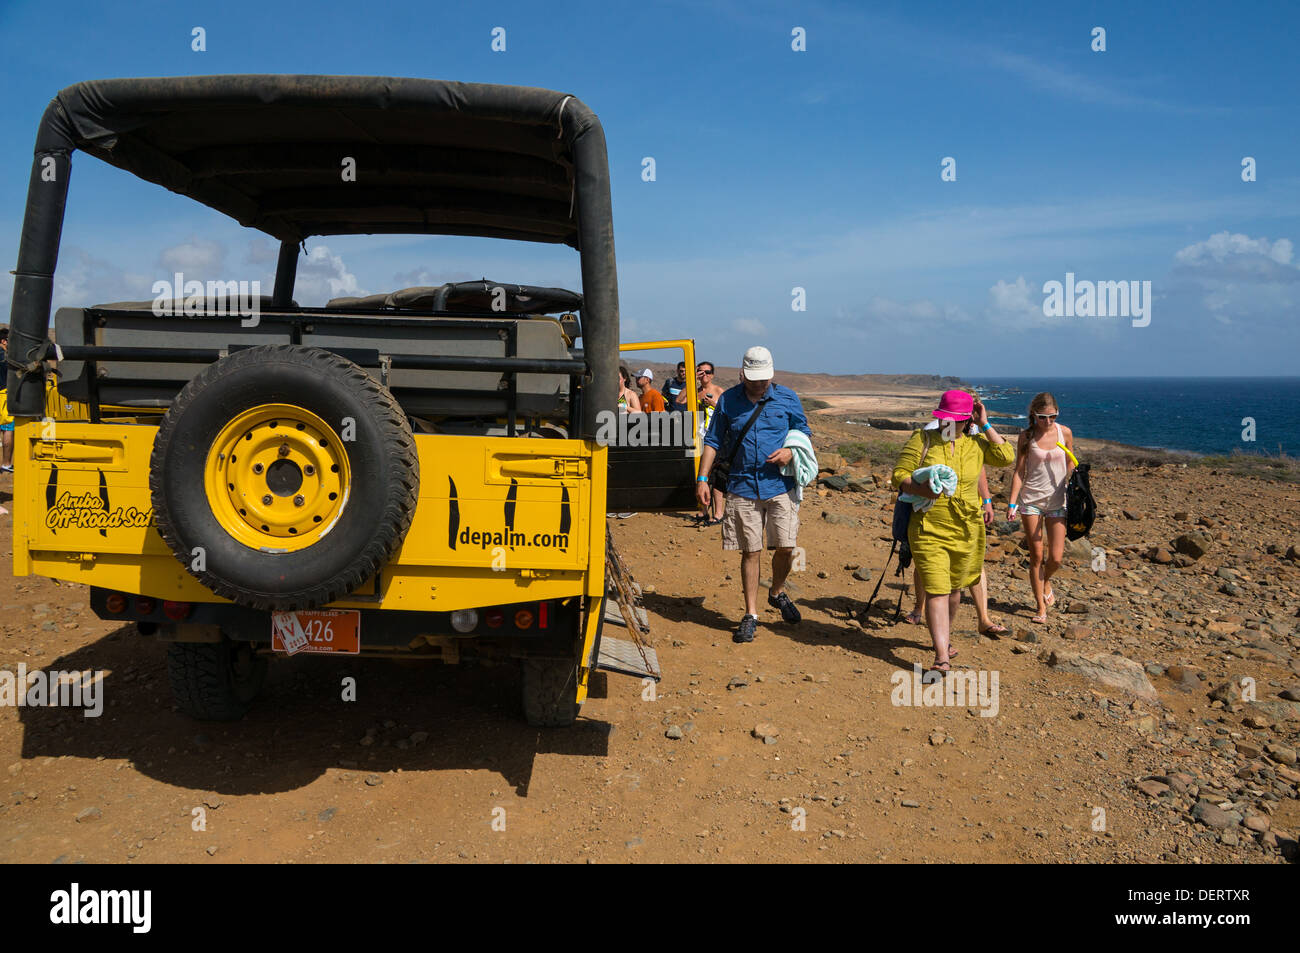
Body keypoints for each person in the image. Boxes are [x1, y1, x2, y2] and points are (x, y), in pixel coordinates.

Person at [891, 390, 1014, 673]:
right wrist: (921, 488)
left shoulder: (977, 444)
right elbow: (899, 475)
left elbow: (1006, 455)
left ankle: (944, 641)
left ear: (967, 419)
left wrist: (985, 423)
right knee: (936, 589)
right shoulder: (922, 439)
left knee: (955, 590)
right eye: (947, 418)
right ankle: (940, 657)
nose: (951, 424)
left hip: (967, 528)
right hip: (927, 525)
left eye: (958, 419)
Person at [696, 346, 811, 643]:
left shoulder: (787, 398)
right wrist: (702, 478)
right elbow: (712, 439)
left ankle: (776, 591)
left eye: (764, 379)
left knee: (786, 547)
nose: (760, 385)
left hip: (779, 486)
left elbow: (803, 434)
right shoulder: (728, 401)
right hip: (741, 486)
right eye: (754, 379)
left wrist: (790, 452)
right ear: (742, 374)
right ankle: (751, 614)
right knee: (751, 550)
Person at [904, 460, 1007, 635]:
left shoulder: (972, 435)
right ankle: (918, 608)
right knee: (927, 562)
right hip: (934, 505)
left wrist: (987, 500)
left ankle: (983, 619)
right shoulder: (930, 434)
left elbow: (979, 467)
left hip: (967, 507)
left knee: (974, 562)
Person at [1007, 392, 1074, 623]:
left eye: (1052, 417)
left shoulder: (1064, 433)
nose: (1048, 422)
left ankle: (1046, 580)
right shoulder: (1026, 437)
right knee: (1036, 555)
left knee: (1055, 557)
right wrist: (1012, 502)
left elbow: (1070, 464)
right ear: (1034, 415)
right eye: (1043, 417)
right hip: (1031, 501)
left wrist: (1076, 488)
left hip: (1057, 501)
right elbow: (1019, 472)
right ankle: (1040, 608)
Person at [692, 361, 727, 526]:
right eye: (700, 372)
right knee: (700, 475)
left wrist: (713, 404)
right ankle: (704, 510)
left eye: (707, 372)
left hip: (716, 439)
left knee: (716, 476)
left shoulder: (719, 391)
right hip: (698, 438)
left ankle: (718, 513)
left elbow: (728, 414)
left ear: (712, 374)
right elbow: (679, 400)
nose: (703, 375)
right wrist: (691, 381)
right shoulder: (694, 391)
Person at [0, 328, 13, 474]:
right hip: (4, 395)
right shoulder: (4, 357)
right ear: (4, 341)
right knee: (8, 429)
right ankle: (6, 463)